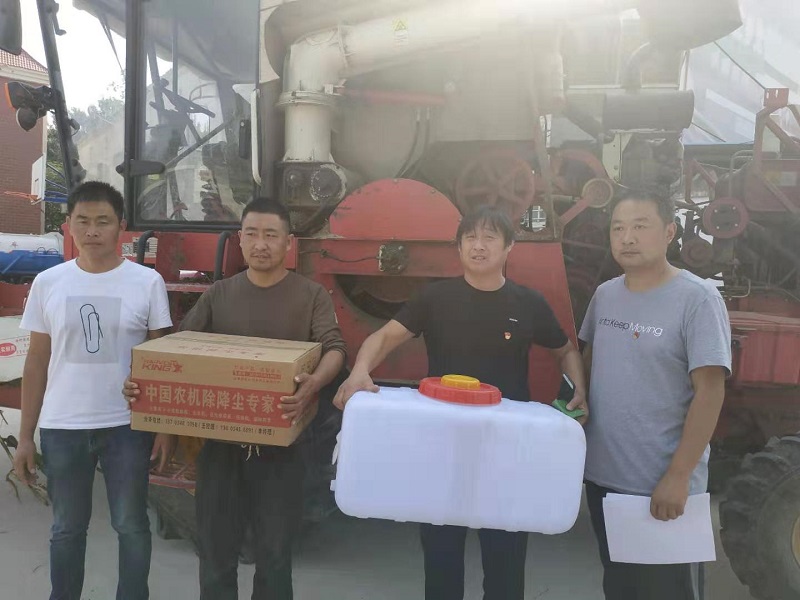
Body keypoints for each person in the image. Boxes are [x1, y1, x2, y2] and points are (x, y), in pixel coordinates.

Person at [333, 205, 587, 600]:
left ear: (509, 247)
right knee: (441, 555)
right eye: (470, 238)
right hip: (444, 446)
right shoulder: (436, 298)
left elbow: (565, 350)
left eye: (489, 238)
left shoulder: (527, 303)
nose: (479, 246)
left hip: (505, 448)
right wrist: (359, 371)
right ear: (459, 247)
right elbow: (383, 338)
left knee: (505, 558)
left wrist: (577, 390)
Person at [125, 197, 346, 600]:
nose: (260, 244)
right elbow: (179, 355)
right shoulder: (219, 294)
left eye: (271, 235)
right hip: (220, 448)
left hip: (283, 450)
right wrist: (156, 408)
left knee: (275, 558)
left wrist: (313, 383)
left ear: (288, 243)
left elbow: (334, 348)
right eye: (252, 234)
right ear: (240, 240)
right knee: (215, 556)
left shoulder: (310, 295)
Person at [13, 181, 175, 600]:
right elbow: (36, 362)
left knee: (131, 524)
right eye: (82, 221)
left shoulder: (147, 282)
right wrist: (26, 436)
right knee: (67, 528)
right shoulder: (49, 282)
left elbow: (161, 359)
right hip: (63, 427)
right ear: (68, 224)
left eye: (103, 221)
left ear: (121, 225)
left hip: (126, 426)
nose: (92, 231)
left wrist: (164, 426)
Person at [579, 189, 731, 600]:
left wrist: (678, 476)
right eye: (618, 229)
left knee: (666, 592)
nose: (627, 238)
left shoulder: (698, 299)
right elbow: (589, 367)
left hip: (661, 487)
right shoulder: (605, 295)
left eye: (640, 226)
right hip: (605, 481)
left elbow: (710, 392)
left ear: (669, 232)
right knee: (620, 587)